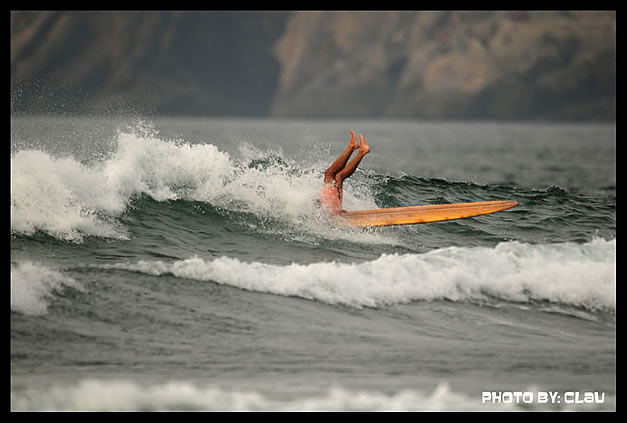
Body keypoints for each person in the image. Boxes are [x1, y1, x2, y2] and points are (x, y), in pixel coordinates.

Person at [320, 129, 370, 215]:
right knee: (334, 175)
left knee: (335, 176)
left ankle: (357, 149)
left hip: (330, 214)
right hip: (331, 215)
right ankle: (358, 150)